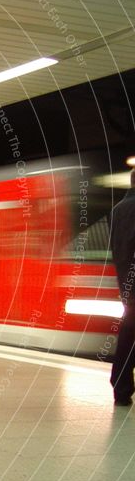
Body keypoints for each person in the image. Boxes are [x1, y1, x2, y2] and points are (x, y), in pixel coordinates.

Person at [109, 169, 135, 406]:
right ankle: (122, 386)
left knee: (127, 336)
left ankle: (121, 387)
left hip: (126, 282)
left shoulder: (117, 210)